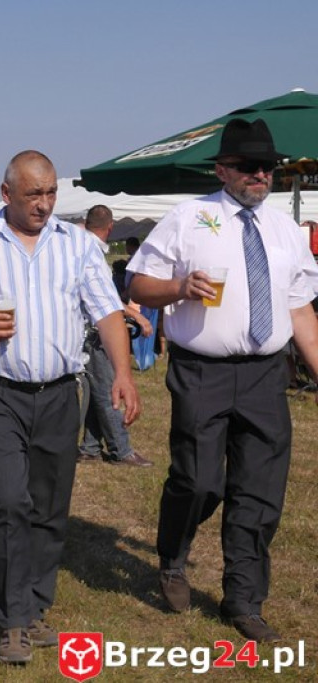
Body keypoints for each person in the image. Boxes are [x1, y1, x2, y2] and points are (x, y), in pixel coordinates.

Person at [0, 151, 140, 664]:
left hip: (61, 395)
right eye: (33, 195)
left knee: (48, 508)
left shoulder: (77, 246)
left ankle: (35, 605)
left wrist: (125, 375)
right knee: (8, 502)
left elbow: (107, 311)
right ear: (7, 195)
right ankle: (11, 621)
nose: (44, 205)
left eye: (49, 194)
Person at [127, 118, 318, 643]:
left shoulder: (285, 230)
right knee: (198, 480)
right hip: (202, 371)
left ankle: (244, 599)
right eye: (250, 167)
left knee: (259, 492)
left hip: (264, 375)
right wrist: (178, 286)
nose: (262, 175)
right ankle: (173, 555)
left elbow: (300, 310)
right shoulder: (190, 217)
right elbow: (138, 282)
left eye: (269, 167)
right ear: (223, 169)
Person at [78, 205, 154, 467]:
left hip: (84, 330)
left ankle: (89, 446)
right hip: (95, 331)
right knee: (108, 390)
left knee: (95, 388)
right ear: (110, 227)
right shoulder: (92, 252)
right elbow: (105, 299)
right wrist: (138, 316)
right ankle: (121, 450)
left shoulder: (78, 246)